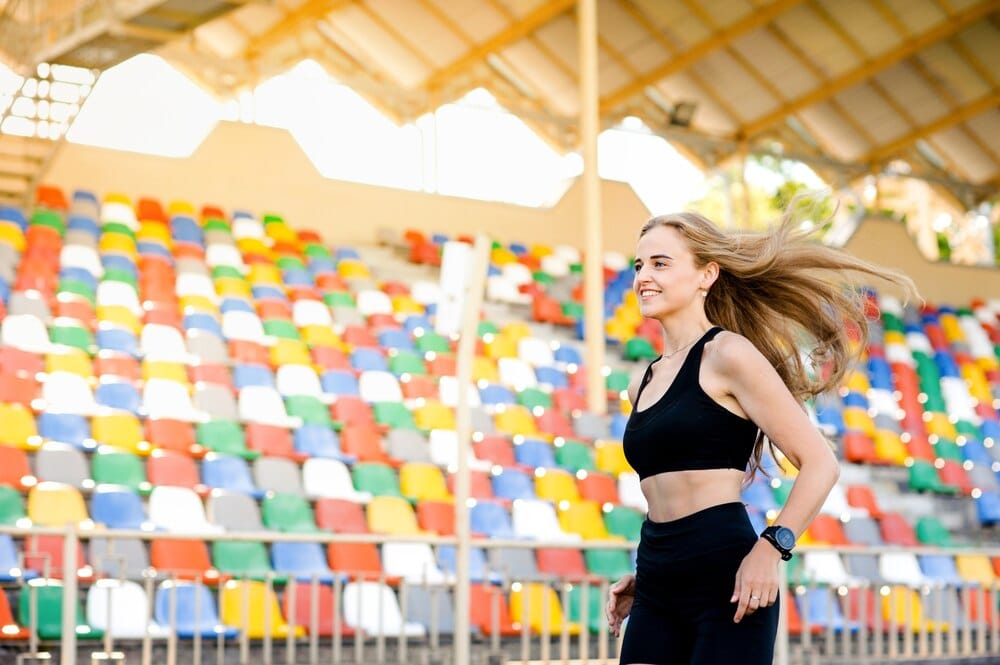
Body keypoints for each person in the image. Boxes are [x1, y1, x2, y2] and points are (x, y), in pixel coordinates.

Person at [606, 210, 916, 664]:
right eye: (638, 266)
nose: (644, 277)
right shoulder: (641, 383)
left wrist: (771, 549)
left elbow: (820, 463)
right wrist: (654, 575)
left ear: (706, 274)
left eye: (660, 263)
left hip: (729, 581)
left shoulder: (728, 354)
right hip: (655, 576)